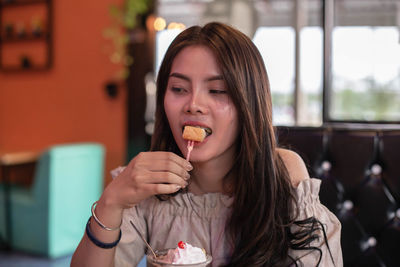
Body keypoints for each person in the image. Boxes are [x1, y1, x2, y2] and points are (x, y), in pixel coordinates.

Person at [71, 22, 342, 267]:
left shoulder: (284, 176)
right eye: (178, 89)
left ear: (249, 103)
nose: (194, 105)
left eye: (217, 91)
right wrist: (111, 202)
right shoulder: (148, 185)